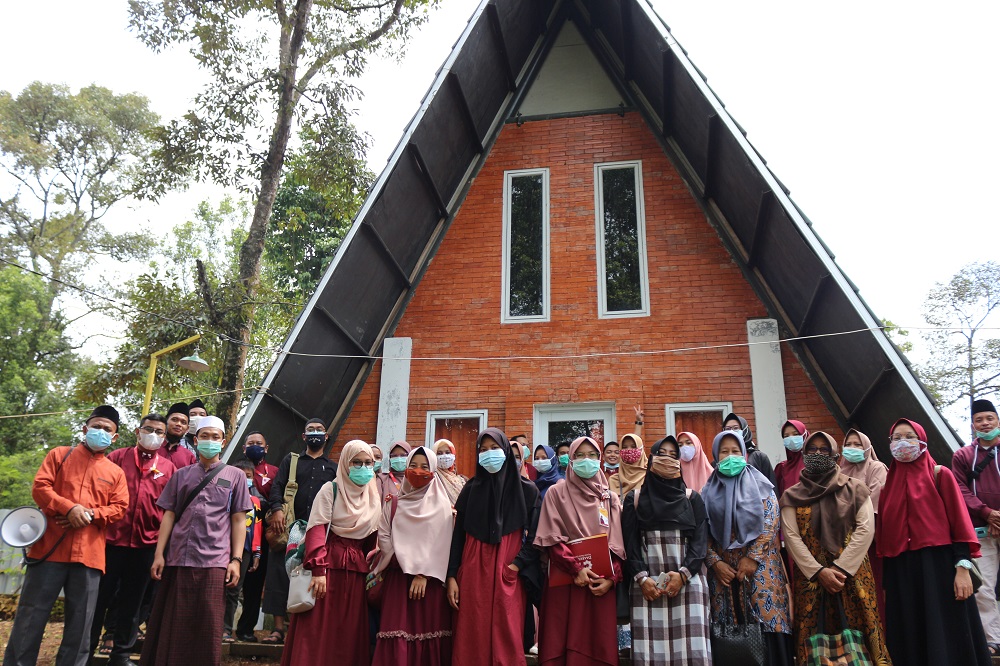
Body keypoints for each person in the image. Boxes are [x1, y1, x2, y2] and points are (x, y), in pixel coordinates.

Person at [3, 405, 129, 666]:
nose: (101, 432)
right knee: (30, 617)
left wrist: (89, 514)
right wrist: (69, 508)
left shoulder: (115, 473)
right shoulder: (59, 455)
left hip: (89, 557)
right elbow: (40, 487)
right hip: (49, 551)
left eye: (108, 429)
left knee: (81, 624)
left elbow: (120, 508)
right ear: (85, 429)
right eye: (97, 426)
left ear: (114, 438)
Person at [140, 415, 252, 666]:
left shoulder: (235, 476)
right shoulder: (181, 475)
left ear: (223, 442)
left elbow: (238, 520)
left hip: (215, 560)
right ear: (195, 439)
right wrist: (159, 554)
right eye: (204, 436)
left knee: (209, 625)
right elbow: (168, 515)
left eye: (215, 437)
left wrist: (235, 559)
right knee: (175, 621)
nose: (210, 441)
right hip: (179, 557)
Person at [878, 417, 991, 665]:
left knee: (947, 634)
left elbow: (960, 524)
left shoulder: (941, 475)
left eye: (909, 436)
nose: (902, 443)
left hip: (939, 570)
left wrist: (962, 568)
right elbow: (886, 540)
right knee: (910, 635)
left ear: (922, 442)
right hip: (902, 574)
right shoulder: (887, 488)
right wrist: (887, 585)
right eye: (896, 438)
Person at [779, 431, 890, 665]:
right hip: (811, 581)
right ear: (804, 454)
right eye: (812, 450)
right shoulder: (792, 495)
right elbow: (791, 537)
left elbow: (865, 529)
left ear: (835, 455)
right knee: (814, 645)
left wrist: (840, 569)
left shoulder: (856, 488)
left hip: (852, 577)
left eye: (824, 450)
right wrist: (819, 572)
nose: (817, 454)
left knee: (862, 638)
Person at [280, 440, 381, 665]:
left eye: (368, 463)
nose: (363, 468)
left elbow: (370, 542)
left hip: (355, 575)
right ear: (345, 463)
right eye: (357, 462)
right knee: (316, 630)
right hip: (326, 570)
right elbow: (317, 529)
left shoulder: (373, 497)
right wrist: (318, 570)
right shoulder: (330, 489)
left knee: (347, 633)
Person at [447, 428, 541, 666]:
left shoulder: (527, 490)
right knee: (472, 631)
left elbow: (536, 536)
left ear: (507, 452)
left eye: (495, 448)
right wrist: (452, 576)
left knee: (507, 631)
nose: (489, 454)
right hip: (473, 568)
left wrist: (516, 565)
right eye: (483, 450)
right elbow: (458, 535)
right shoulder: (470, 489)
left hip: (508, 568)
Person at [89, 413, 177, 666]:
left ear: (164, 437)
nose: (153, 435)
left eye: (159, 432)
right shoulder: (117, 458)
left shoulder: (169, 468)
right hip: (110, 542)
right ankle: (86, 650)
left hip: (146, 545)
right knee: (98, 599)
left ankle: (121, 655)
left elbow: (169, 510)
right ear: (138, 432)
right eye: (148, 429)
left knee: (133, 602)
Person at [703, 430, 792, 665]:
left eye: (735, 451)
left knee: (765, 627)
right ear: (715, 455)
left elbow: (771, 521)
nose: (730, 457)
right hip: (724, 576)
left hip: (761, 570)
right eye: (724, 452)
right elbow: (701, 532)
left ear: (744, 453)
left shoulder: (762, 486)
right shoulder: (708, 491)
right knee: (730, 638)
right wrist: (715, 562)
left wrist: (752, 558)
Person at [534, 436, 625, 665]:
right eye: (580, 455)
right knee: (561, 641)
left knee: (597, 644)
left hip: (600, 584)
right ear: (571, 460)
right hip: (565, 581)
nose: (587, 460)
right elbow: (551, 537)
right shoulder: (556, 493)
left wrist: (612, 578)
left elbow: (617, 544)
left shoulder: (609, 497)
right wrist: (576, 569)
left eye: (592, 455)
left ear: (599, 458)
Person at [622, 436, 711, 665]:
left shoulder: (693, 499)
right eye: (663, 453)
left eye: (674, 455)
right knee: (650, 654)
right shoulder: (635, 499)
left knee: (691, 653)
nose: (668, 459)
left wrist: (683, 575)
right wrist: (642, 579)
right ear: (651, 458)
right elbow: (629, 543)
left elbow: (700, 543)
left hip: (688, 584)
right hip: (647, 587)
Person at [371, 446, 455, 664]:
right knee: (396, 632)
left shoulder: (443, 506)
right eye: (414, 466)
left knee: (430, 635)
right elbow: (385, 536)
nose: (418, 471)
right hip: (398, 578)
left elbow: (442, 543)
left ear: (433, 471)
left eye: (425, 467)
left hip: (430, 583)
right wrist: (406, 562)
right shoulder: (393, 503)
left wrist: (422, 573)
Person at [264, 417, 338, 645]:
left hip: (318, 531)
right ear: (304, 437)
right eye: (310, 430)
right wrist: (276, 509)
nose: (315, 433)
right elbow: (277, 486)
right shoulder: (291, 460)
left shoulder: (333, 467)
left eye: (319, 430)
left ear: (326, 437)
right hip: (287, 527)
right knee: (279, 573)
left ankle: (304, 631)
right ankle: (277, 629)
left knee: (311, 575)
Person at [953, 399, 1000, 653]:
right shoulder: (962, 456)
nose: (985, 423)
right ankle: (992, 640)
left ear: (997, 421)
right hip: (981, 529)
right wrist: (987, 513)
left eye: (989, 418)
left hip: (996, 523)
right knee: (984, 587)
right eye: (979, 419)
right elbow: (959, 489)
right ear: (973, 425)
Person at [839, 427, 888, 623]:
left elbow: (874, 505)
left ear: (867, 447)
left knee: (873, 592)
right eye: (848, 444)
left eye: (857, 444)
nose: (852, 448)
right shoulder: (839, 471)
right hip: (842, 544)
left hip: (869, 544)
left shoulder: (876, 468)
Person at [235, 431, 278, 641]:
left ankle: (246, 629)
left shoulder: (275, 471)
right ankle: (223, 627)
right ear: (244, 448)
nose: (255, 446)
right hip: (234, 533)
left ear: (266, 448)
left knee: (254, 585)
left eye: (259, 444)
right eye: (250, 443)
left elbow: (277, 499)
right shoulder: (232, 470)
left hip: (261, 534)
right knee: (231, 584)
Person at [223, 459, 263, 643]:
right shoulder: (224, 493)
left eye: (248, 476)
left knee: (234, 590)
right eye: (240, 475)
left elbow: (258, 528)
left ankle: (226, 629)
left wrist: (257, 553)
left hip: (244, 551)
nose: (244, 479)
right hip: (222, 546)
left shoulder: (256, 501)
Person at [723, 412, 775, 485]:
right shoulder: (719, 460)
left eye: (736, 428)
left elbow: (771, 487)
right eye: (727, 429)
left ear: (744, 430)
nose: (731, 432)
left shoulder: (759, 457)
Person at [774, 419, 809, 499]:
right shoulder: (781, 468)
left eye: (796, 434)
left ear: (805, 435)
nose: (791, 439)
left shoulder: (815, 464)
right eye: (786, 436)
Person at [609, 434, 646, 502]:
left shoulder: (650, 477)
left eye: (633, 447)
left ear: (641, 450)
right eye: (624, 447)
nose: (629, 450)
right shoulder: (613, 480)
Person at [161, 402, 196, 469]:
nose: (178, 424)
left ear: (187, 429)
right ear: (165, 422)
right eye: (174, 420)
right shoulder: (152, 447)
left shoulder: (189, 457)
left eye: (183, 422)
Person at [433, 438, 466, 505]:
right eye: (439, 453)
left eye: (448, 452)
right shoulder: (432, 478)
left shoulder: (461, 480)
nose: (444, 456)